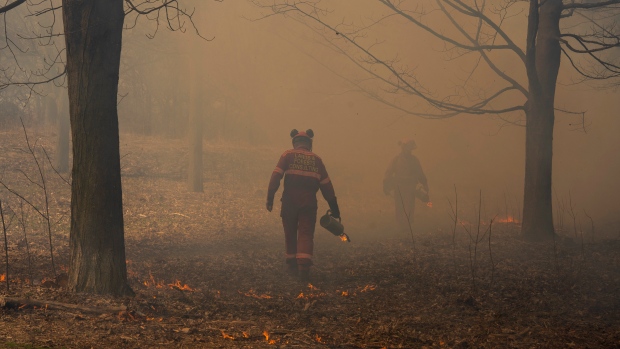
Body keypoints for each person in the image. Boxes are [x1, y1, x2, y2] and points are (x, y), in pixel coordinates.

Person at [266, 129, 340, 282]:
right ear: (309, 144)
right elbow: (327, 187)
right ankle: (304, 269)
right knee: (306, 234)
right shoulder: (317, 160)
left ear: (295, 143)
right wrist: (335, 209)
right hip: (308, 204)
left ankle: (292, 264)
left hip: (289, 203)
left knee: (290, 232)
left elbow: (276, 177)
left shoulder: (287, 155)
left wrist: (270, 197)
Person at [383, 139, 429, 232]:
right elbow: (388, 173)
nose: (409, 151)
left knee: (409, 206)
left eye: (410, 149)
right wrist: (386, 185)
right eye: (408, 148)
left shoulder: (414, 160)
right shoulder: (396, 160)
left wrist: (424, 183)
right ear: (403, 148)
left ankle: (407, 226)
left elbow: (420, 173)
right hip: (399, 187)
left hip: (411, 188)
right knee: (399, 206)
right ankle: (401, 226)